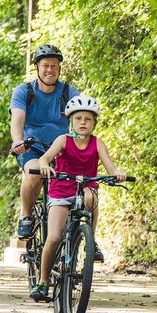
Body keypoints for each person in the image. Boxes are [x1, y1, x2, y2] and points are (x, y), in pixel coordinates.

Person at [29, 95, 125, 302]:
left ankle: (92, 238)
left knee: (92, 196)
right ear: (71, 121)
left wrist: (116, 174)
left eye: (88, 119)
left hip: (85, 187)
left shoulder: (98, 143)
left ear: (94, 123)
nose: (83, 122)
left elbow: (110, 166)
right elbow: (46, 157)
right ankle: (43, 281)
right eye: (78, 118)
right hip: (61, 189)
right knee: (54, 237)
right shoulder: (63, 140)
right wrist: (45, 164)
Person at [9, 44, 79, 240]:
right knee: (34, 173)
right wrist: (17, 141)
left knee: (81, 183)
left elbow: (84, 115)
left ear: (59, 68)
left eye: (54, 66)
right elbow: (17, 119)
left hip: (61, 149)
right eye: (46, 65)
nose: (50, 70)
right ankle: (26, 215)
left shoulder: (68, 92)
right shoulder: (24, 91)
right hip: (32, 148)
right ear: (37, 68)